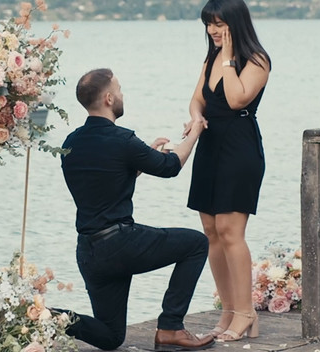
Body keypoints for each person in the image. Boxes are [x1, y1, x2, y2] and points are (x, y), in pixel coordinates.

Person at [58, 68, 215, 351]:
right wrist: (194, 133)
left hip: (90, 252)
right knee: (196, 244)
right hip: (120, 244)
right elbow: (170, 167)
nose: (122, 95)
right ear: (108, 98)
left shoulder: (70, 143)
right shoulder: (122, 140)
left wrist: (139, 161)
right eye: (119, 91)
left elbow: (103, 183)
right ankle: (170, 327)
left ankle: (47, 318)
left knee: (110, 337)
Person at [183, 0, 271, 342]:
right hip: (210, 145)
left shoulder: (257, 59)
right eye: (209, 23)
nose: (212, 30)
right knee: (210, 231)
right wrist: (195, 117)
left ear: (235, 24)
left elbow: (236, 99)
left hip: (239, 147)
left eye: (218, 24)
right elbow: (197, 98)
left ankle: (246, 313)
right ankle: (229, 309)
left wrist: (231, 60)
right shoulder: (211, 57)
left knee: (231, 230)